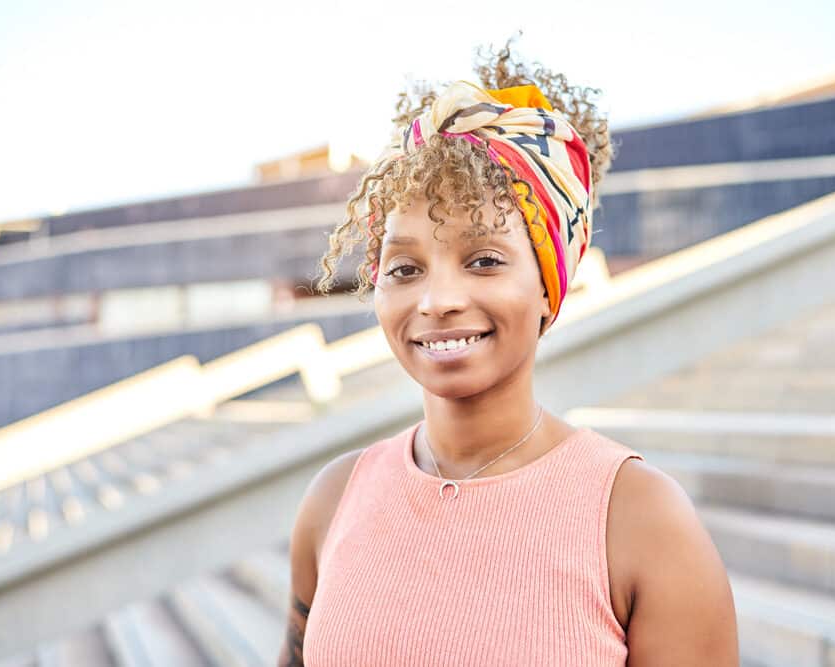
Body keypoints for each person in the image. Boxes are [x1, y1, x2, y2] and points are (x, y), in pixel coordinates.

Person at [277, 37, 739, 666]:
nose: (437, 299)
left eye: (484, 260)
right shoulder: (334, 500)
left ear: (548, 285)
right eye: (405, 267)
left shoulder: (641, 520)